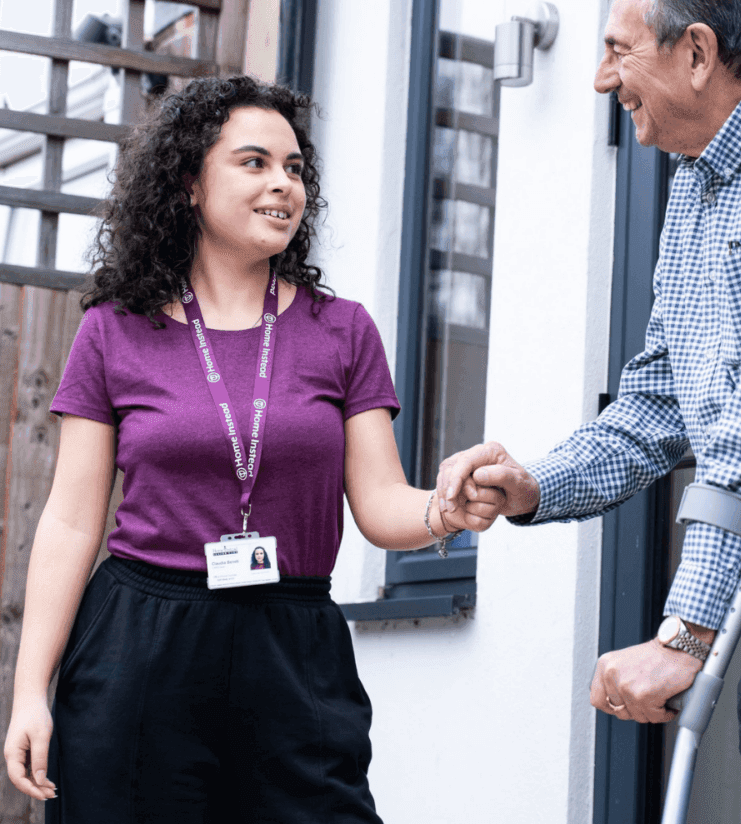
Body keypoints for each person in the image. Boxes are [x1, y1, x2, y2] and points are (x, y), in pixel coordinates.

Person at [439, 0, 741, 822]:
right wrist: (537, 486)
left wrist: (684, 633)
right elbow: (658, 401)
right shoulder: (696, 184)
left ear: (697, 52)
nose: (602, 81)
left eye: (618, 52)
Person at [3, 75, 501, 823]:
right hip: (140, 647)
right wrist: (29, 694)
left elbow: (379, 504)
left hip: (293, 649)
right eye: (255, 162)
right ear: (189, 185)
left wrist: (444, 510)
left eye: (295, 168)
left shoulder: (344, 331)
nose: (284, 185)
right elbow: (71, 523)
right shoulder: (116, 329)